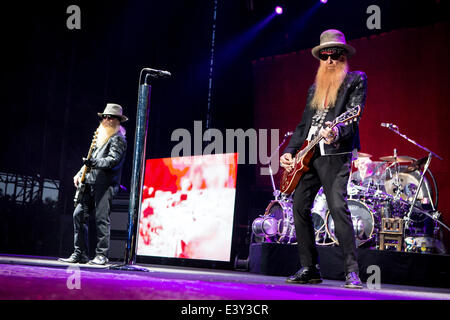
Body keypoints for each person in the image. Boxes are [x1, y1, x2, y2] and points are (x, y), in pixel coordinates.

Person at [280, 29, 367, 289]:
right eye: (325, 56)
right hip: (308, 155)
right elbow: (304, 124)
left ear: (343, 56)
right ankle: (309, 267)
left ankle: (352, 271)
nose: (330, 61)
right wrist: (289, 151)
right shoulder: (313, 89)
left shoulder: (355, 80)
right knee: (298, 206)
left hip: (335, 154)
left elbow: (355, 116)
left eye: (335, 55)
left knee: (337, 206)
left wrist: (337, 132)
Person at [59, 103, 128, 265]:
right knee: (79, 214)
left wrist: (93, 162)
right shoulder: (101, 137)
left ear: (117, 120)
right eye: (104, 116)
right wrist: (79, 173)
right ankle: (80, 253)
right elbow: (90, 160)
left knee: (101, 218)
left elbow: (112, 161)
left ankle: (101, 255)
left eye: (109, 117)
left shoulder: (118, 139)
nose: (105, 119)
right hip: (90, 182)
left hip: (105, 185)